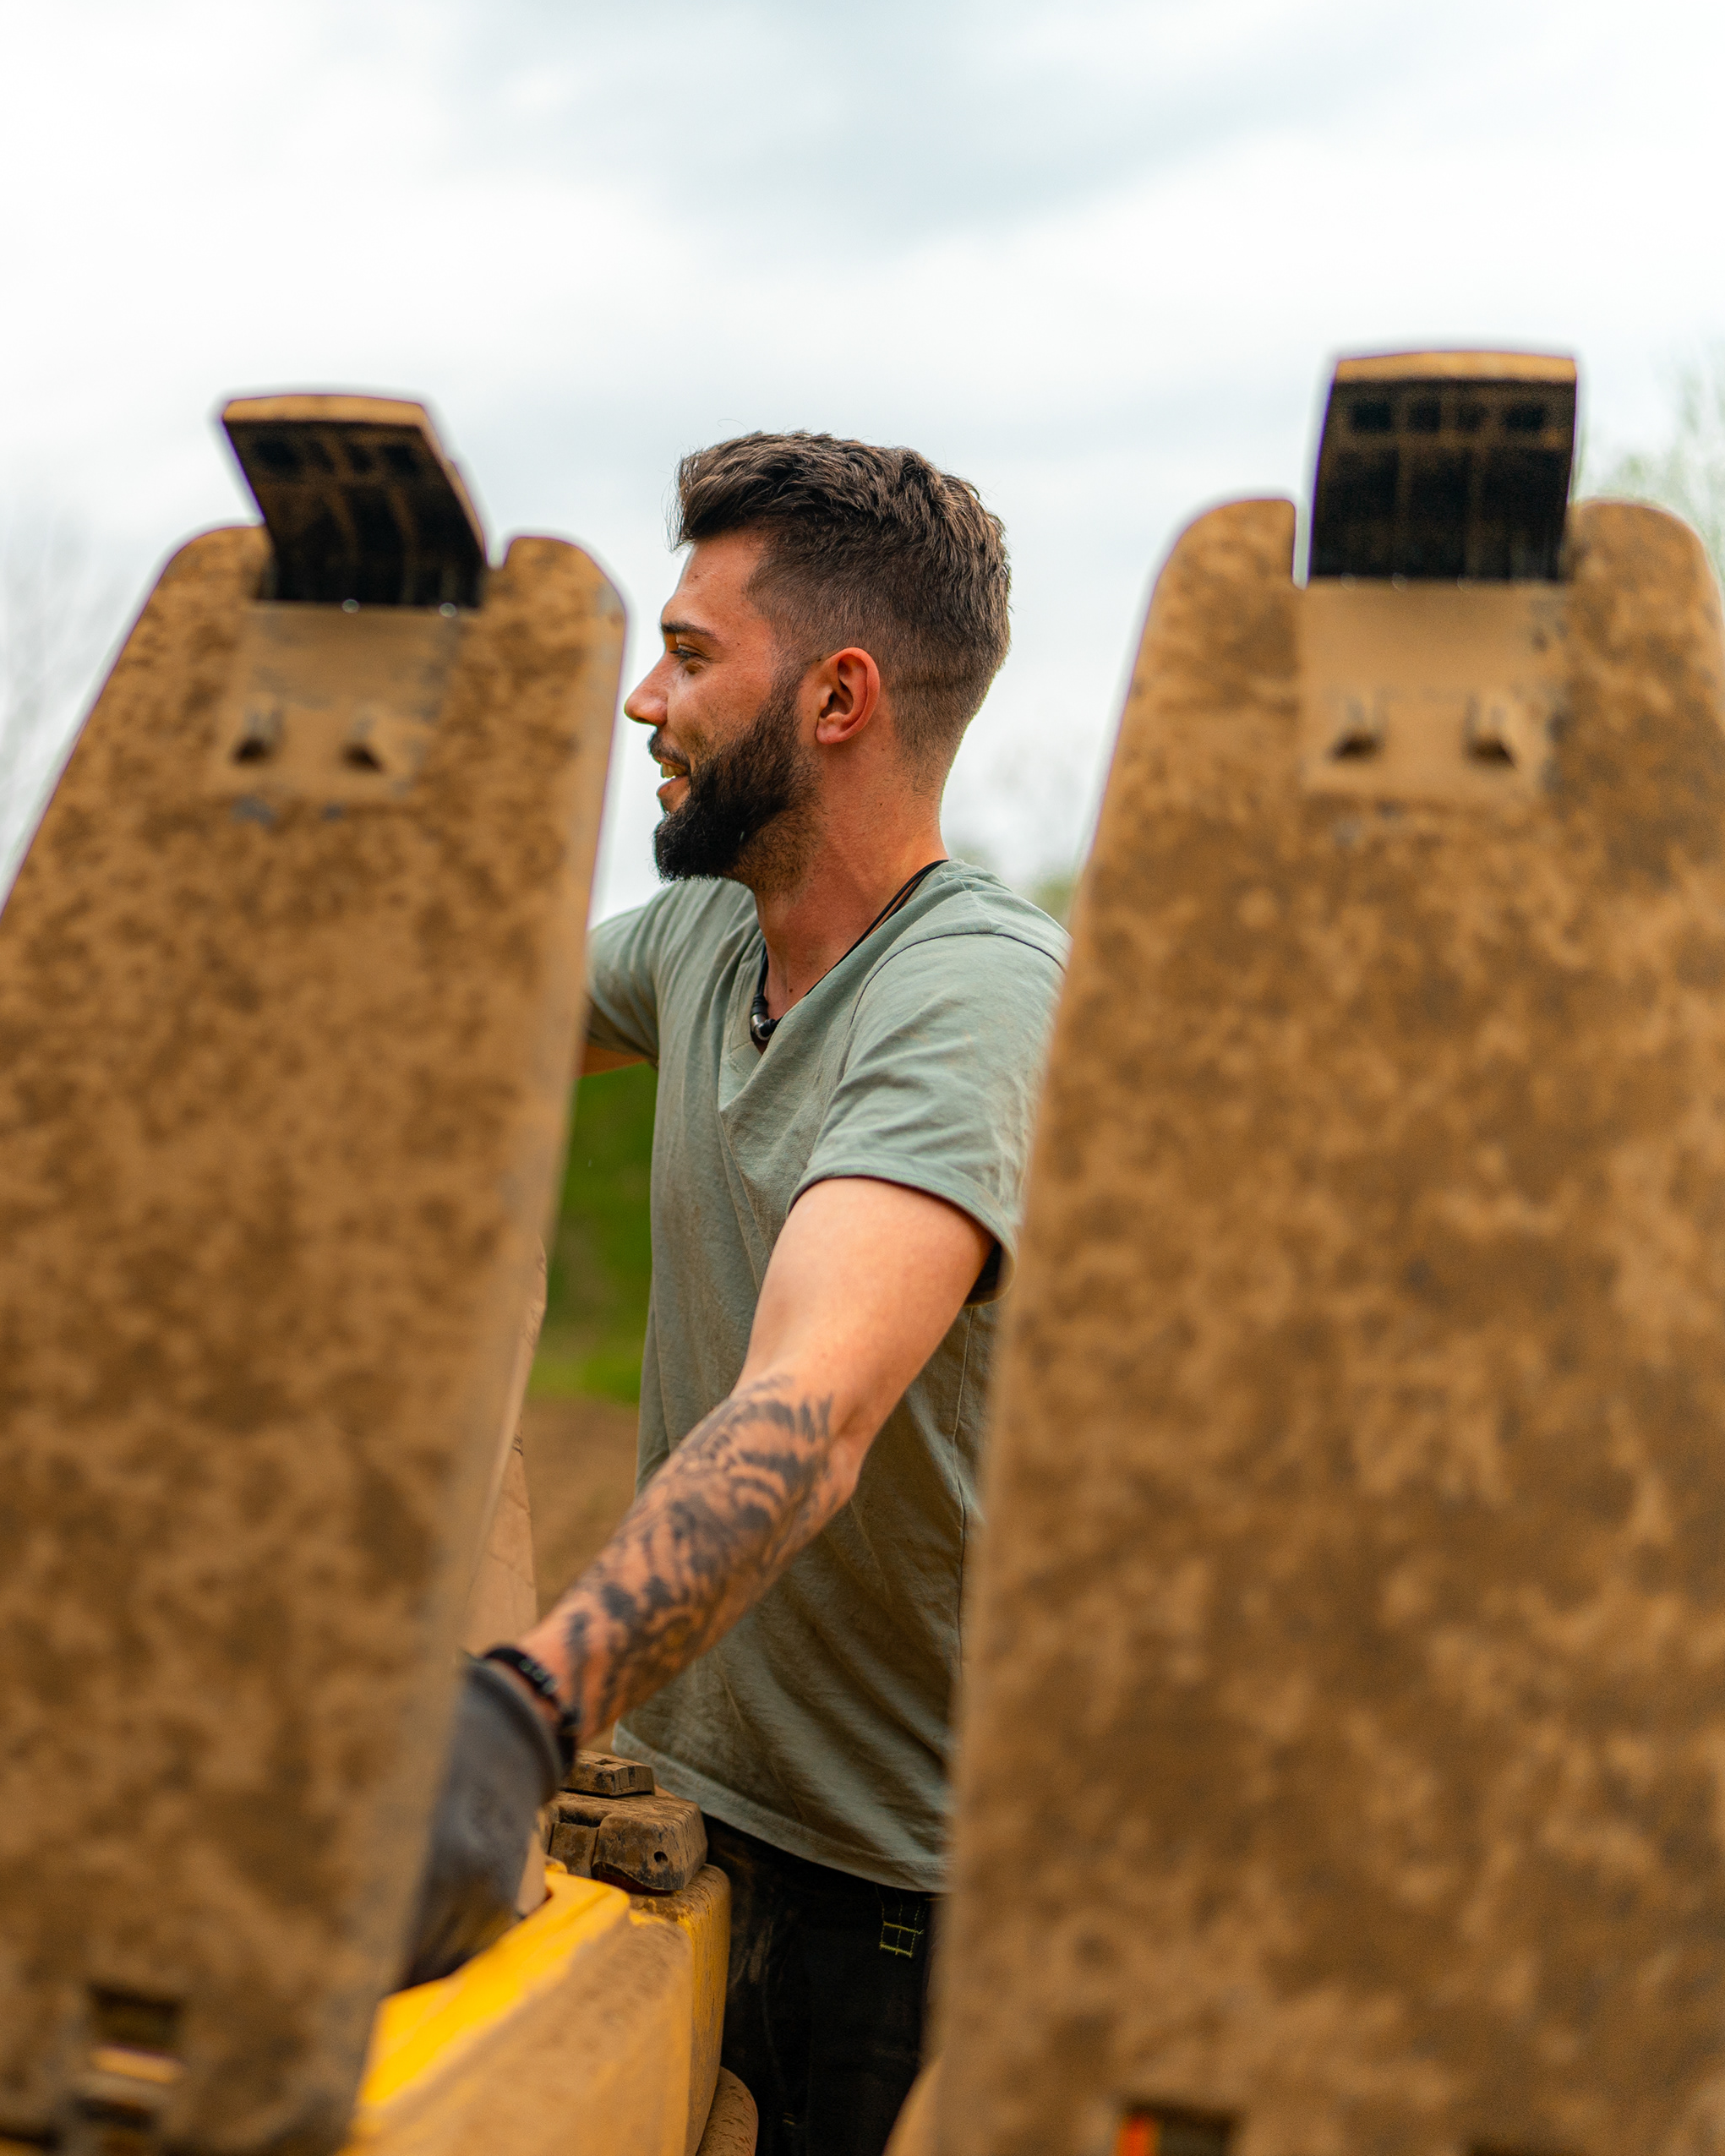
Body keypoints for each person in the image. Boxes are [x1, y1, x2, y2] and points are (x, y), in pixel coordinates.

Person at [407, 431, 1067, 2156]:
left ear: (838, 697)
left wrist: (519, 1709)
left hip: (911, 1899)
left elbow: (811, 1412)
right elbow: (457, 1016)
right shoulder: (712, 933)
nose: (645, 697)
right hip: (684, 1817)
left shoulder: (976, 1003)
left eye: (692, 656)